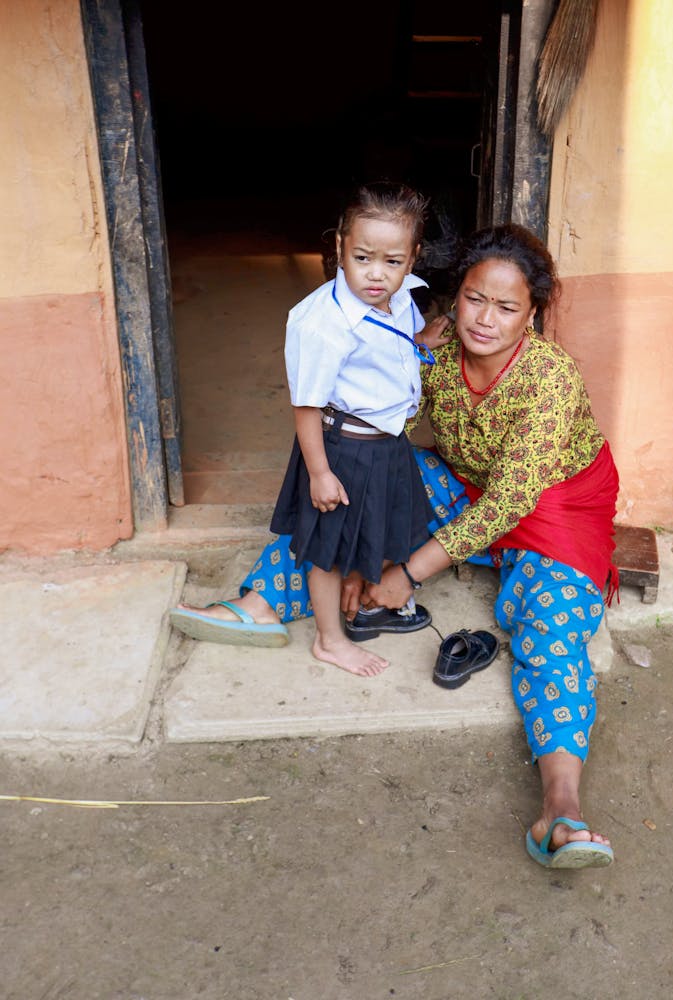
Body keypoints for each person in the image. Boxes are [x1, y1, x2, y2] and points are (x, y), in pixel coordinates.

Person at [173, 221, 618, 869]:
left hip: (555, 510)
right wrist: (364, 529)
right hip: (464, 488)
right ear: (455, 293)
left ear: (533, 314)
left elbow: (510, 503)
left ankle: (561, 808)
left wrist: (404, 570)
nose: (484, 320)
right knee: (356, 474)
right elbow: (386, 431)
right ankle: (263, 601)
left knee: (548, 630)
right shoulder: (431, 350)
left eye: (506, 307)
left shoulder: (549, 381)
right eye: (473, 298)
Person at [170, 182, 452, 677]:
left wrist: (420, 339)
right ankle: (329, 640)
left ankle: (365, 602)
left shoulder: (402, 296)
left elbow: (391, 344)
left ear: (413, 259)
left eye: (392, 261)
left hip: (387, 445)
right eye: (362, 257)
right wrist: (319, 472)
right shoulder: (321, 323)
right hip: (343, 448)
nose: (375, 274)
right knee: (328, 552)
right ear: (340, 245)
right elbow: (306, 406)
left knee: (377, 531)